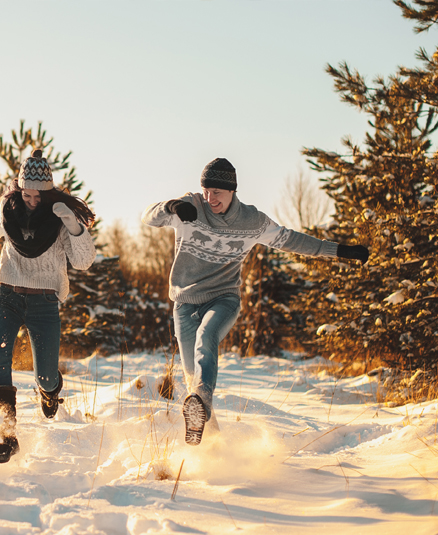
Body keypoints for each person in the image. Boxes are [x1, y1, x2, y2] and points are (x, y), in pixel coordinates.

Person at [142, 157, 369, 446]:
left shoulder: (252, 222)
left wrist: (339, 251)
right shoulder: (191, 207)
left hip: (223, 298)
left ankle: (203, 403)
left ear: (233, 191)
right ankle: (211, 446)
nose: (211, 199)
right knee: (192, 381)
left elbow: (293, 240)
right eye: (207, 192)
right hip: (184, 302)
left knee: (207, 336)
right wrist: (170, 207)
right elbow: (148, 216)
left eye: (218, 194)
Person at [0, 149, 96, 463]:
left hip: (44, 303)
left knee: (46, 376)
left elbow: (83, 262)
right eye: (27, 194)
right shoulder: (10, 211)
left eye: (39, 195)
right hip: (7, 296)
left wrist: (74, 226)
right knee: (0, 360)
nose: (32, 201)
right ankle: (7, 436)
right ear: (19, 189)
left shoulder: (60, 219)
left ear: (48, 192)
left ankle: (50, 392)